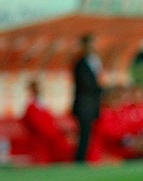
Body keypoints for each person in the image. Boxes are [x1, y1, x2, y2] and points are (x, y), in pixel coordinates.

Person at [21, 80, 75, 164]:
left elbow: (48, 121)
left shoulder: (40, 104)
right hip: (41, 135)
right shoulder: (32, 106)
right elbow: (36, 123)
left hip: (49, 133)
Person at [71, 33, 103, 163]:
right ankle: (80, 161)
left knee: (89, 135)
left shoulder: (95, 62)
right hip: (84, 106)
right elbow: (86, 84)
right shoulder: (80, 64)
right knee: (84, 135)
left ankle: (87, 159)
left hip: (92, 105)